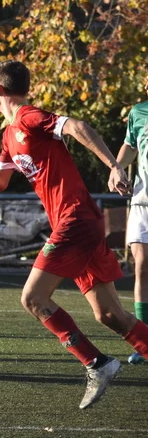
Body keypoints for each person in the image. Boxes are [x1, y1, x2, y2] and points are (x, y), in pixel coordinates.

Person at [0, 60, 148, 409]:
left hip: (75, 220)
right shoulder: (9, 134)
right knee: (110, 316)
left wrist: (114, 165)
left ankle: (97, 363)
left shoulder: (29, 117)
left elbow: (78, 126)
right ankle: (105, 361)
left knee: (33, 299)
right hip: (80, 223)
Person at [113, 77, 148, 365]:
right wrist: (116, 168)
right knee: (142, 267)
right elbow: (130, 146)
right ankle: (144, 341)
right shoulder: (138, 112)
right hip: (143, 202)